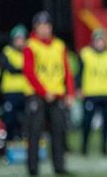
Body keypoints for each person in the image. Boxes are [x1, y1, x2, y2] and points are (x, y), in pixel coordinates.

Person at [23, 11, 74, 176]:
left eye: (47, 25)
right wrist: (44, 92)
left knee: (59, 132)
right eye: (41, 26)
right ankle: (33, 168)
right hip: (37, 96)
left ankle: (59, 166)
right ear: (35, 28)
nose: (44, 29)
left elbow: (67, 71)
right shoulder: (30, 46)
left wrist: (70, 93)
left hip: (57, 95)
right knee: (34, 133)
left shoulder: (59, 45)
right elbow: (29, 73)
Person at [76, 29, 107, 156]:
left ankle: (105, 147)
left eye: (102, 40)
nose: (100, 43)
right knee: (87, 123)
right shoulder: (85, 54)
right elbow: (79, 73)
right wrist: (78, 87)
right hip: (90, 94)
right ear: (93, 41)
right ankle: (84, 147)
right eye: (98, 40)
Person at [0, 24, 33, 141]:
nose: (20, 42)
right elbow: (7, 68)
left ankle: (25, 142)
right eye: (17, 39)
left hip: (26, 92)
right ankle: (9, 142)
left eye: (22, 39)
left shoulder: (29, 52)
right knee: (10, 119)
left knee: (27, 120)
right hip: (10, 92)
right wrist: (23, 69)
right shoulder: (7, 52)